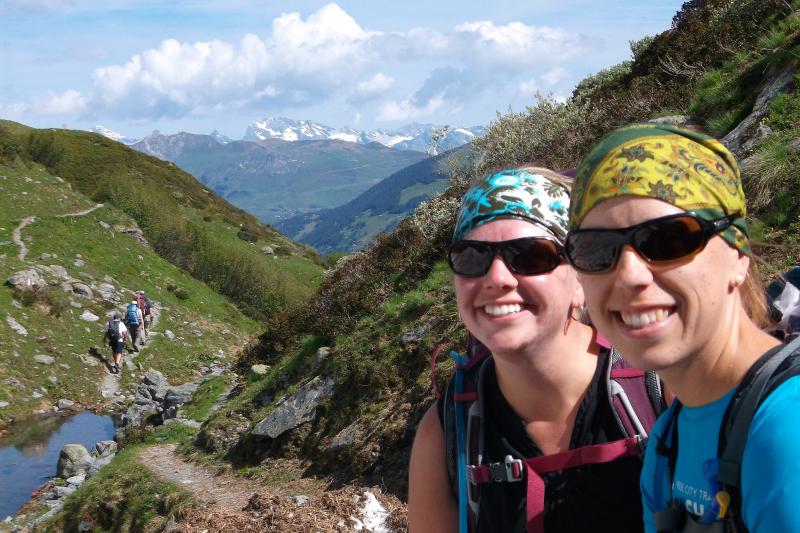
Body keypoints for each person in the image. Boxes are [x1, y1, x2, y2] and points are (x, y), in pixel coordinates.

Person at [564, 123, 800, 532]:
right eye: (597, 249)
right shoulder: (667, 438)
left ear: (738, 255)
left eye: (668, 240)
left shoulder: (787, 432)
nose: (630, 275)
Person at [408, 168, 663, 533]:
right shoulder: (444, 432)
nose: (497, 278)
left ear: (581, 279)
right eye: (473, 256)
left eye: (530, 255)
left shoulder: (658, 390)